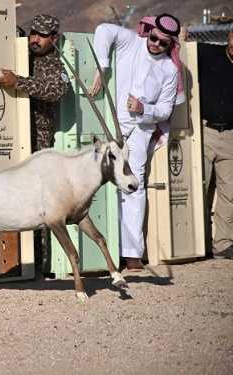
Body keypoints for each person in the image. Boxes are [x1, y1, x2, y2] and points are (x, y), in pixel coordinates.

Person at [90, 14, 184, 271]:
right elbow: (103, 29)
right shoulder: (130, 42)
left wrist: (145, 108)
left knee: (133, 187)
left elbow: (165, 110)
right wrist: (102, 66)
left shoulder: (169, 69)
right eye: (153, 38)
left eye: (163, 43)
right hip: (111, 126)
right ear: (149, 31)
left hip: (140, 132)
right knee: (99, 182)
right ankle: (97, 255)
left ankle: (131, 255)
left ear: (170, 45)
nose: (155, 44)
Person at [0, 14, 69, 275]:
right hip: (15, 135)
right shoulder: (24, 51)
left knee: (39, 203)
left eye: (41, 35)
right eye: (32, 33)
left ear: (54, 38)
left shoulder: (52, 61)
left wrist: (20, 83)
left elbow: (56, 90)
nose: (34, 39)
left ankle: (40, 263)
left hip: (38, 138)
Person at [199, 30, 233, 259]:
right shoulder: (208, 53)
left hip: (230, 135)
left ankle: (223, 245)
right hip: (205, 132)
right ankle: (198, 244)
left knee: (230, 194)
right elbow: (181, 48)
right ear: (230, 37)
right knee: (199, 189)